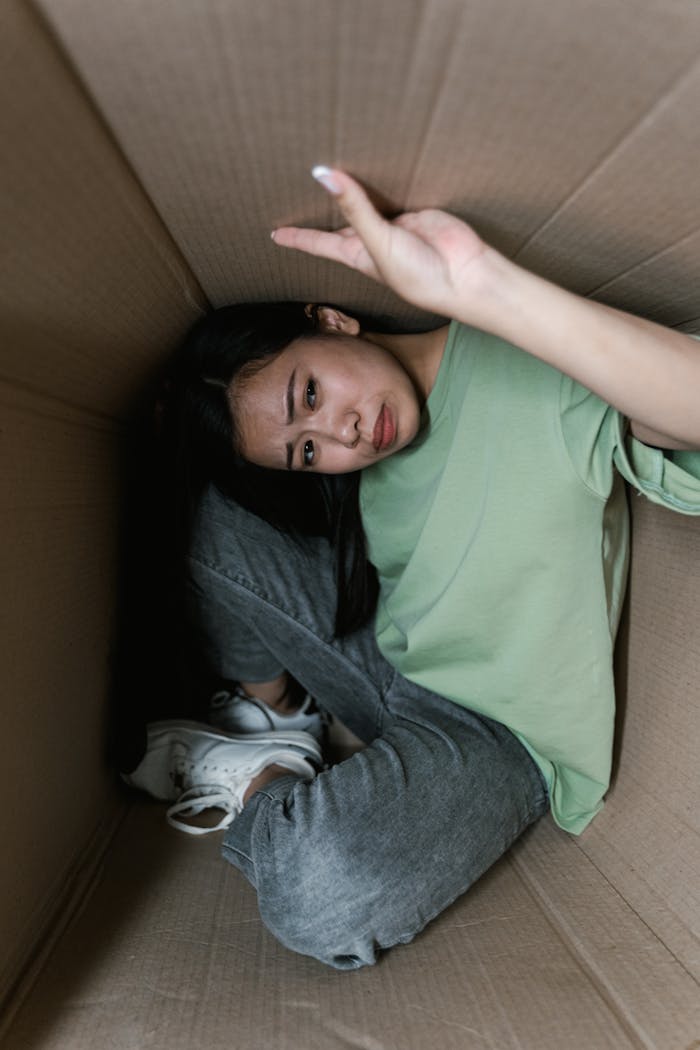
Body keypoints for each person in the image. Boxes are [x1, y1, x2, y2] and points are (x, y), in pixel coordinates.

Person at [123, 167, 700, 969]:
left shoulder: (536, 359)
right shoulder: (365, 470)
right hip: (382, 667)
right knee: (206, 502)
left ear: (331, 319)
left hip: (493, 730)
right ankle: (278, 720)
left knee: (318, 893)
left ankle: (259, 784)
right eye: (307, 450)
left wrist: (483, 289)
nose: (346, 434)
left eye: (312, 392)